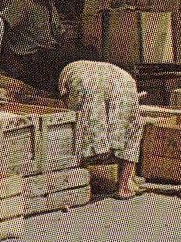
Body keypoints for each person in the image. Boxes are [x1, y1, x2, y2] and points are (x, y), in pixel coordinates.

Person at [1, 0, 96, 92]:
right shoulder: (23, 4)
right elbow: (1, 27)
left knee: (89, 53)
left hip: (48, 52)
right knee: (66, 60)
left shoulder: (49, 5)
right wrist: (10, 59)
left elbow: (59, 33)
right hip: (31, 56)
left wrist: (69, 42)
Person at [59, 60, 143, 199]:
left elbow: (68, 108)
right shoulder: (122, 75)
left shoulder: (68, 72)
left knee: (80, 127)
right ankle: (124, 186)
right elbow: (131, 130)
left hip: (85, 80)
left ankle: (75, 180)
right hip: (125, 84)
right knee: (131, 129)